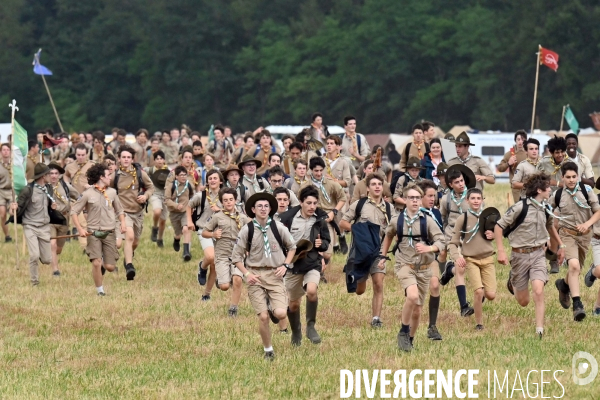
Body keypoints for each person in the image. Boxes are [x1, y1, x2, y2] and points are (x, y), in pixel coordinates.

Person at [495, 172, 564, 338]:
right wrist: (501, 250)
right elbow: (498, 226)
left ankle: (539, 329)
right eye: (548, 188)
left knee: (538, 291)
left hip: (538, 254)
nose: (550, 190)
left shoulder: (546, 208)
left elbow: (550, 227)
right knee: (524, 301)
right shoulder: (520, 207)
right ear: (539, 190)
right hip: (519, 256)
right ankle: (513, 281)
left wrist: (560, 245)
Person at [379, 183, 445, 352]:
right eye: (411, 198)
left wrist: (429, 248)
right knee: (412, 296)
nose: (415, 201)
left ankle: (410, 339)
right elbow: (388, 236)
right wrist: (382, 256)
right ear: (405, 200)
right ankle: (403, 330)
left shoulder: (428, 221)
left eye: (417, 198)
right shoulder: (396, 220)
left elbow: (441, 241)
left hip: (424, 268)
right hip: (404, 265)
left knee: (417, 310)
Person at [231, 193, 296, 360]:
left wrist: (285, 265)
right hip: (256, 275)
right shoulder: (247, 230)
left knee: (281, 314)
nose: (263, 209)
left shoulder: (278, 227)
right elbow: (236, 257)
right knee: (263, 317)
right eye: (259, 206)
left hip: (275, 274)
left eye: (266, 206)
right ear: (253, 209)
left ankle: (273, 308)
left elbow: (292, 247)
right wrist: (246, 274)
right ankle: (268, 350)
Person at [279, 186, 330, 345]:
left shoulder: (320, 219)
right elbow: (279, 241)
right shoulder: (287, 219)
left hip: (312, 263)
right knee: (293, 304)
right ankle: (296, 331)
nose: (312, 206)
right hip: (293, 265)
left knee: (312, 290)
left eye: (315, 203)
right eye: (308, 203)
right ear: (300, 202)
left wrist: (321, 244)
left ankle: (311, 326)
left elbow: (326, 242)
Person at [549, 161, 600, 321]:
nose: (571, 180)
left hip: (584, 237)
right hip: (567, 235)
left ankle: (563, 285)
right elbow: (546, 212)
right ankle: (577, 304)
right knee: (574, 265)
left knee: (575, 270)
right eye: (568, 177)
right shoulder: (557, 195)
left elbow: (597, 211)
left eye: (574, 177)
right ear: (562, 178)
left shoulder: (586, 191)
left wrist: (587, 224)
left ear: (578, 176)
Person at [340, 173, 391, 328]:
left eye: (379, 184)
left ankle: (376, 318)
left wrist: (385, 252)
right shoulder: (359, 205)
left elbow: (393, 230)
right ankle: (358, 278)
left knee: (378, 283)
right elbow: (343, 222)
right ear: (367, 188)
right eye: (373, 184)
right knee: (360, 290)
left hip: (379, 250)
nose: (377, 187)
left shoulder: (389, 208)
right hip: (361, 251)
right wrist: (358, 232)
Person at [71, 163, 126, 296]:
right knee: (96, 263)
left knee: (110, 267)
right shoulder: (87, 194)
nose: (110, 177)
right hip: (93, 232)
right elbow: (74, 211)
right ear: (101, 177)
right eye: (108, 175)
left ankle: (104, 261)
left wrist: (123, 223)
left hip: (109, 232)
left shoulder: (112, 192)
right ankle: (100, 290)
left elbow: (119, 210)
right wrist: (80, 229)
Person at [447, 188, 497, 330]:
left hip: (487, 259)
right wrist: (456, 257)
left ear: (482, 200)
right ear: (467, 200)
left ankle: (478, 303)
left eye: (478, 198)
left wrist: (493, 235)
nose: (476, 201)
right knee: (478, 291)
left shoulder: (489, 216)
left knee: (491, 295)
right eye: (473, 198)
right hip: (471, 260)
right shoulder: (463, 219)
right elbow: (453, 242)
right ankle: (479, 323)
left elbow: (501, 233)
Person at [10, 163, 66, 285]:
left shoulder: (49, 189)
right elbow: (18, 207)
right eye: (48, 174)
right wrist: (13, 208)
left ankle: (41, 253)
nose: (51, 176)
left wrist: (53, 207)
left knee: (47, 259)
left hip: (44, 226)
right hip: (30, 225)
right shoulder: (28, 190)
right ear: (43, 176)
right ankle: (34, 281)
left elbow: (49, 205)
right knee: (34, 255)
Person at [202, 188, 250, 316]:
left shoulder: (243, 218)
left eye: (231, 200)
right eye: (225, 200)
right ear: (222, 202)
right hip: (222, 255)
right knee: (224, 286)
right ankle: (222, 280)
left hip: (238, 255)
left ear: (235, 200)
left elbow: (252, 232)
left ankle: (233, 308)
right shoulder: (217, 217)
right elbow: (204, 232)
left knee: (238, 279)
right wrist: (213, 233)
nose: (228, 202)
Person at [111, 145, 155, 280]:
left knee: (135, 241)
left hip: (138, 212)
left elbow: (151, 187)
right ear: (119, 159)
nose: (126, 159)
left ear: (132, 159)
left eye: (128, 157)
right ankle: (129, 266)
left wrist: (145, 196)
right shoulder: (115, 176)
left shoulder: (140, 173)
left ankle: (127, 257)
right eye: (123, 157)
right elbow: (107, 190)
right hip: (122, 213)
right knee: (129, 236)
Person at [439, 165, 477, 317]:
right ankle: (464, 307)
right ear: (450, 185)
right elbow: (442, 219)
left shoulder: (473, 196)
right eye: (457, 182)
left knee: (469, 267)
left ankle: (449, 270)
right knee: (461, 268)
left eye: (462, 181)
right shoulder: (445, 199)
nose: (461, 184)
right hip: (453, 236)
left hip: (470, 236)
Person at [300, 157, 346, 266]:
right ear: (311, 170)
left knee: (327, 253)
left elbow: (342, 198)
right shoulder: (305, 186)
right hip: (311, 219)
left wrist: (334, 212)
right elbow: (300, 202)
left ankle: (322, 265)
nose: (319, 173)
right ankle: (318, 271)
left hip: (326, 219)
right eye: (316, 171)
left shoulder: (331, 183)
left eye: (321, 170)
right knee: (311, 247)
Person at [187, 170, 223, 301]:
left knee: (214, 264)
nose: (212, 180)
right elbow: (189, 206)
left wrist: (220, 210)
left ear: (220, 181)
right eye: (210, 178)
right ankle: (202, 266)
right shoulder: (201, 195)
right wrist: (190, 221)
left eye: (215, 178)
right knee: (210, 257)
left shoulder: (225, 196)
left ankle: (206, 294)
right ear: (207, 181)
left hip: (220, 232)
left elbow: (233, 210)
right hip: (204, 229)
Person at [417, 180, 444, 340]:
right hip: (413, 258)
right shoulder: (412, 214)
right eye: (429, 196)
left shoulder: (437, 213)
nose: (433, 199)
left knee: (434, 285)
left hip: (430, 256)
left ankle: (432, 326)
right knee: (416, 297)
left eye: (434, 196)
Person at [48, 162, 80, 276]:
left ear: (59, 175)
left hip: (64, 219)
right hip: (50, 220)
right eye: (51, 173)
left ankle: (53, 257)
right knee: (52, 244)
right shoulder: (44, 187)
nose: (53, 176)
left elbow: (78, 196)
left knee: (58, 249)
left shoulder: (65, 186)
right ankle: (55, 270)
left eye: (56, 173)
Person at [63, 143, 96, 251]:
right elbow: (66, 176)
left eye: (83, 155)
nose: (80, 157)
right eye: (78, 155)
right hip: (75, 198)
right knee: (81, 221)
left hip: (90, 197)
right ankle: (85, 247)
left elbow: (100, 180)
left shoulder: (93, 165)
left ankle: (92, 244)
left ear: (87, 154)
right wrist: (67, 185)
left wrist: (91, 185)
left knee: (90, 222)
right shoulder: (70, 166)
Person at [165, 166, 194, 261]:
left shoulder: (188, 185)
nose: (183, 177)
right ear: (176, 176)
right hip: (174, 213)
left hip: (185, 212)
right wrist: (176, 205)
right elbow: (166, 200)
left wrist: (192, 208)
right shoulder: (171, 186)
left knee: (186, 229)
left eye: (185, 175)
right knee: (178, 233)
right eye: (181, 175)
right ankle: (176, 240)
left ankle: (186, 252)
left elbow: (192, 197)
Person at [145, 151, 170, 247]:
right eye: (157, 159)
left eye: (161, 159)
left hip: (166, 196)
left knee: (163, 220)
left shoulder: (169, 170)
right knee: (157, 211)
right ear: (154, 160)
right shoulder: (150, 170)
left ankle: (160, 239)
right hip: (155, 194)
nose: (159, 161)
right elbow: (140, 172)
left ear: (164, 160)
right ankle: (155, 227)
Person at [497, 130, 528, 203]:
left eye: (523, 139)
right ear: (515, 141)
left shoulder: (529, 153)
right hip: (516, 187)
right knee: (520, 207)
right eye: (518, 139)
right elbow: (500, 168)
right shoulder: (510, 154)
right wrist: (508, 163)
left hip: (528, 186)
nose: (520, 142)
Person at [0, 143, 12, 242]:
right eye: (4, 150)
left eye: (8, 149)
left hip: (12, 191)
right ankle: (7, 235)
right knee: (3, 214)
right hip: (1, 191)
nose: (6, 152)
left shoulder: (14, 165)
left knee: (13, 212)